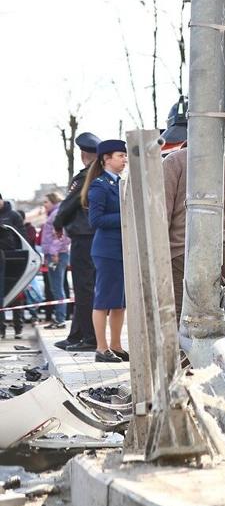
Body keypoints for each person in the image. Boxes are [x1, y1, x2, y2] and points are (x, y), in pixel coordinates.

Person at [163, 139, 225, 327]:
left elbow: (161, 213)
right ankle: (207, 356)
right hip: (223, 252)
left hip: (180, 251)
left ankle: (185, 357)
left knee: (180, 316)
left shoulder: (174, 162)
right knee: (211, 317)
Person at [52, 132, 101, 351]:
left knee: (84, 288)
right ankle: (77, 335)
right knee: (86, 287)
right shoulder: (99, 174)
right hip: (93, 237)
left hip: (83, 238)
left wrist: (57, 224)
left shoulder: (85, 176)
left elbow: (67, 205)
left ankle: (89, 338)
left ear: (83, 154)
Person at [86, 139, 128, 362]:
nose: (124, 159)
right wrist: (127, 216)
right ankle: (101, 348)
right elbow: (96, 220)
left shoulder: (121, 182)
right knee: (103, 300)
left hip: (122, 250)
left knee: (119, 302)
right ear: (106, 159)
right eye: (120, 155)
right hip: (107, 250)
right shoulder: (99, 185)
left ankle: (116, 345)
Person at [39, 193, 70, 328]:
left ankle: (60, 319)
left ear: (53, 201)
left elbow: (60, 235)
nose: (44, 205)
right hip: (54, 254)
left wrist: (54, 253)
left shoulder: (57, 214)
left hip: (56, 255)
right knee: (56, 287)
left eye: (46, 202)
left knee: (57, 287)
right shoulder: (55, 213)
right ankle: (59, 318)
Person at [0, 192, 29, 337]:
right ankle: (1, 328)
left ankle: (18, 327)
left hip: (14, 259)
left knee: (16, 295)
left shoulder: (13, 216)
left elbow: (22, 237)